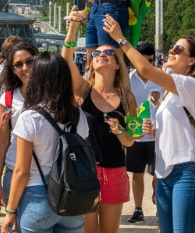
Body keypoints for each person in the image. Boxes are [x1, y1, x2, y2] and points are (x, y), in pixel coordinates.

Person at [104, 15, 195, 233]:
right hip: (165, 171)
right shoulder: (170, 93)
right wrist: (155, 132)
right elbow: (178, 126)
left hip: (187, 168)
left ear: (192, 60)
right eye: (173, 47)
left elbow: (145, 69)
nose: (172, 51)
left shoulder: (191, 84)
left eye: (179, 50)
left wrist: (121, 40)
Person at [0, 52, 90, 233]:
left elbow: (21, 170)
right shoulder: (78, 115)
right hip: (72, 199)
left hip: (38, 196)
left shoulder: (30, 117)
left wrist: (10, 210)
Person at [71, 13, 137, 233]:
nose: (102, 54)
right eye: (97, 52)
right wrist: (73, 26)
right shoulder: (82, 91)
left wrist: (119, 131)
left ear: (118, 64)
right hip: (87, 171)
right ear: (91, 61)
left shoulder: (128, 98)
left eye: (109, 52)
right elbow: (65, 61)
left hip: (115, 170)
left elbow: (129, 142)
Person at [0, 41, 38, 211]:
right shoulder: (8, 99)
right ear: (13, 70)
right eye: (18, 65)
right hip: (14, 170)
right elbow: (3, 142)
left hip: (45, 174)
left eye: (29, 61)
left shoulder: (52, 94)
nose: (25, 68)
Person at [123, 42, 162, 224]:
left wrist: (158, 102)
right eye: (143, 60)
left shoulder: (161, 78)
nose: (148, 64)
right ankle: (138, 208)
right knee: (137, 174)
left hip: (157, 134)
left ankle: (158, 206)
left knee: (158, 173)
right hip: (136, 134)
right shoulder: (128, 79)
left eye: (151, 60)